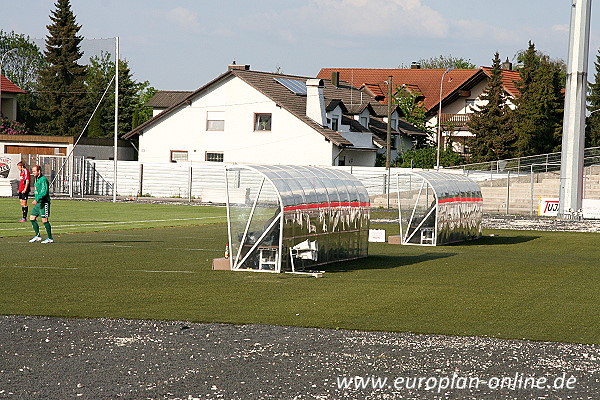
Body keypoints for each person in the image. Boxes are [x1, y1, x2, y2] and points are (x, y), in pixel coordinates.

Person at [29, 165, 54, 244]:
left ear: (39, 171)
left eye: (34, 171)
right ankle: (38, 236)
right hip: (38, 203)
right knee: (32, 218)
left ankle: (50, 238)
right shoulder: (36, 179)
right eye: (32, 171)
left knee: (44, 220)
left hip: (44, 202)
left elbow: (44, 192)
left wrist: (37, 199)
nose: (33, 173)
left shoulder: (43, 180)